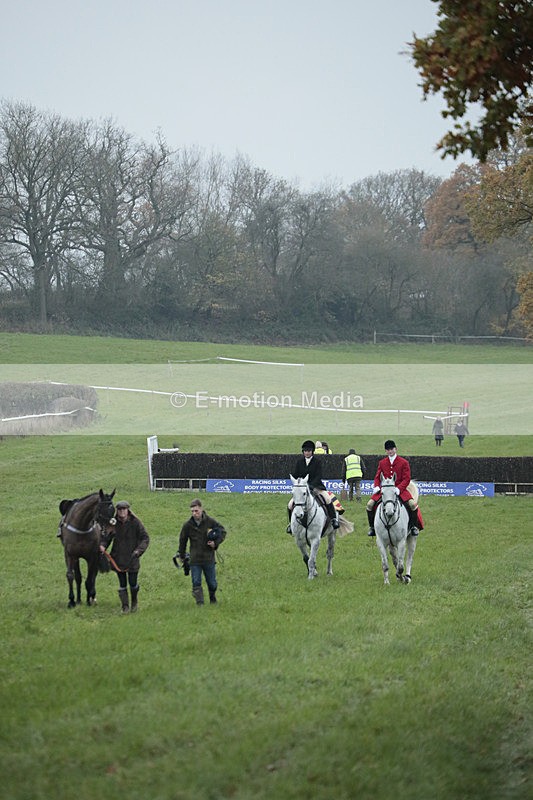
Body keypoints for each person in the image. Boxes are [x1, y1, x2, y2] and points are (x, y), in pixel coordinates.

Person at [100, 500, 150, 614]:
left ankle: (134, 603)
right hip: (118, 559)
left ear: (128, 510)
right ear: (117, 511)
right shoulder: (113, 523)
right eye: (119, 509)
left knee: (133, 583)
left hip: (133, 558)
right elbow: (107, 538)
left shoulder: (136, 522)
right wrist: (103, 546)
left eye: (124, 509)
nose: (122, 512)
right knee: (122, 584)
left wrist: (139, 551)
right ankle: (125, 606)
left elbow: (145, 538)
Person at [366, 440, 422, 537]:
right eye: (388, 450)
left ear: (396, 449)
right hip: (385, 490)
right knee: (370, 504)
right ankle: (372, 528)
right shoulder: (382, 463)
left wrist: (399, 488)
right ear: (386, 451)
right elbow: (377, 477)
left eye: (391, 449)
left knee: (412, 505)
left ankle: (413, 527)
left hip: (401, 490)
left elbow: (407, 478)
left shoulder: (404, 462)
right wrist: (376, 486)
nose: (390, 451)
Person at [178, 498, 226, 606]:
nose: (194, 514)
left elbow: (222, 532)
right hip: (195, 559)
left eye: (196, 511)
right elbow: (182, 540)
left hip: (208, 558)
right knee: (196, 582)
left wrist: (215, 543)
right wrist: (182, 555)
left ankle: (212, 598)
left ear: (201, 509)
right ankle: (200, 604)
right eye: (192, 511)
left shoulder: (211, 522)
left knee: (212, 584)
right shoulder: (187, 525)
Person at [287, 440, 339, 532]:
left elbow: (318, 476)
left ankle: (334, 519)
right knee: (290, 504)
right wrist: (294, 479)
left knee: (327, 499)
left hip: (316, 486)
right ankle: (291, 525)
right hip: (303, 488)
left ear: (312, 452)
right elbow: (296, 474)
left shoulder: (317, 462)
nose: (307, 453)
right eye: (305, 451)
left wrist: (311, 486)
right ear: (303, 452)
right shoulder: (299, 462)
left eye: (309, 451)